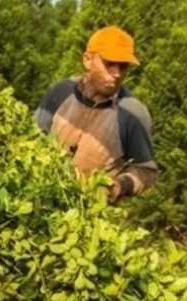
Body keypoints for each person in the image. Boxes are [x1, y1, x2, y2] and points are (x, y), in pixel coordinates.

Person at [35, 26, 159, 203]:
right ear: (87, 60)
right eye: (109, 64)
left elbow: (147, 170)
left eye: (123, 66)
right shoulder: (61, 92)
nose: (117, 74)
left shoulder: (132, 113)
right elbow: (33, 137)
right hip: (42, 200)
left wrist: (121, 185)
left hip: (90, 214)